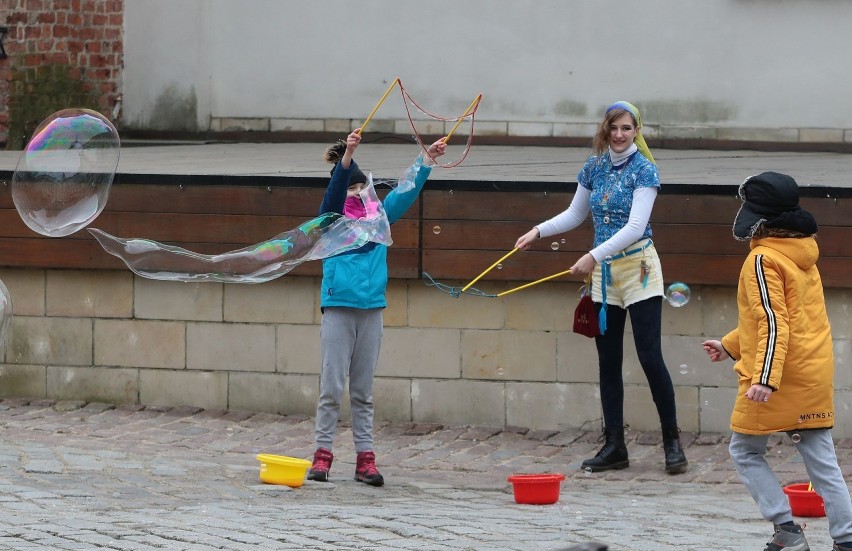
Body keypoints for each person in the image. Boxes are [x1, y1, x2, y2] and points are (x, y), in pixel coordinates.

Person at [515, 101, 688, 474]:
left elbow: (635, 227)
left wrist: (592, 254)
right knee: (608, 362)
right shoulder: (594, 166)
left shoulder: (645, 170)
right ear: (606, 130)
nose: (621, 134)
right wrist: (538, 231)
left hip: (640, 270)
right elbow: (576, 214)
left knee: (649, 357)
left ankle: (672, 443)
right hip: (604, 275)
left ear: (637, 131)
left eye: (628, 128)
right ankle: (614, 446)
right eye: (615, 128)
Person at [702, 171, 852, 551]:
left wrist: (765, 378)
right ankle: (847, 538)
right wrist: (730, 344)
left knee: (744, 451)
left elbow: (772, 321)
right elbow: (786, 318)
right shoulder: (803, 250)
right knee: (823, 463)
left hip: (778, 378)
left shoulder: (762, 258)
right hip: (811, 373)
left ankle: (786, 532)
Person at [307, 129, 447, 487]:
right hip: (339, 309)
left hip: (372, 311)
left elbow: (406, 191)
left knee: (363, 391)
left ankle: (365, 460)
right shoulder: (332, 221)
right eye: (350, 188)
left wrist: (426, 160)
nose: (355, 193)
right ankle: (322, 456)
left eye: (359, 187)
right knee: (331, 387)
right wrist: (348, 158)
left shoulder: (379, 219)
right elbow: (333, 196)